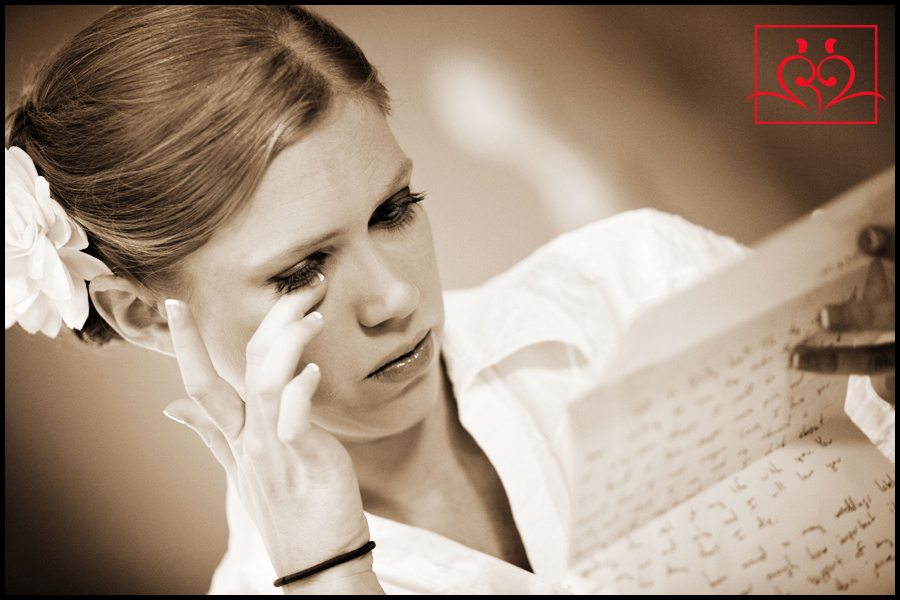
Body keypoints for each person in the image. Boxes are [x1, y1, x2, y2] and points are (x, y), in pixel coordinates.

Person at [5, 6, 893, 595]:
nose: (394, 298)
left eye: (395, 211)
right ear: (140, 313)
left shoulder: (641, 275)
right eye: (299, 271)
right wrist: (330, 572)